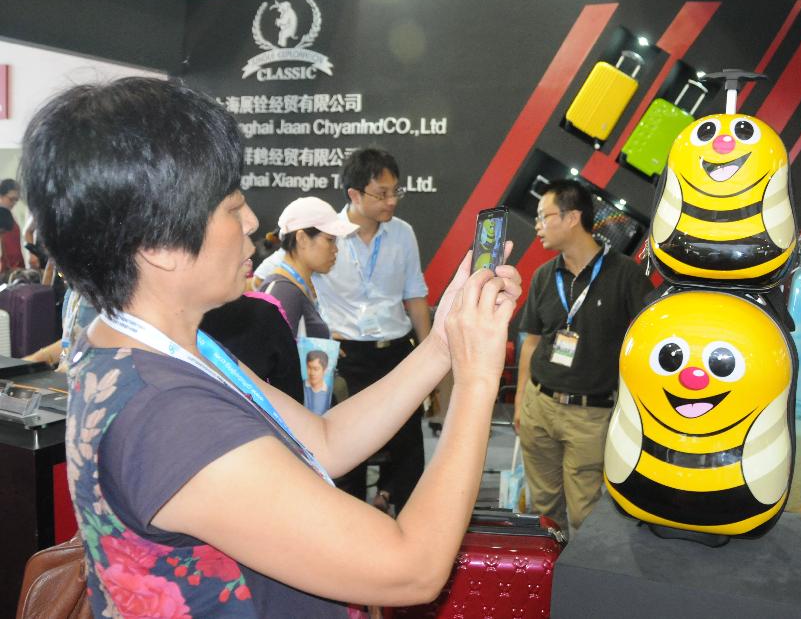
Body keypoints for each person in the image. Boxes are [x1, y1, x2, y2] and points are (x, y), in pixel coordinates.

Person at [22, 77, 520, 616]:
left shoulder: (161, 346)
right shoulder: (169, 416)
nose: (253, 223)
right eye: (232, 208)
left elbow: (324, 440)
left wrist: (443, 345)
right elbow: (412, 568)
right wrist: (476, 380)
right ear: (159, 244)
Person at [514, 178, 653, 535]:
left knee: (585, 515)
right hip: (539, 405)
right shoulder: (545, 276)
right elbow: (531, 341)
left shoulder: (626, 276)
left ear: (573, 217)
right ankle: (548, 581)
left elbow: (647, 346)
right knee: (543, 513)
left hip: (591, 415)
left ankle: (581, 584)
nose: (538, 226)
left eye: (545, 217)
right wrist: (519, 403)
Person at [314, 147, 434, 514]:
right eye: (381, 193)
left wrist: (429, 360)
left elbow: (415, 297)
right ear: (353, 194)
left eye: (396, 191)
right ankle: (349, 528)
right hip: (346, 358)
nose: (391, 201)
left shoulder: (403, 234)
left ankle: (397, 515)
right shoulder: (324, 234)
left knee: (408, 446)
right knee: (348, 449)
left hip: (395, 352)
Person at [258, 196, 357, 338]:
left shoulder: (296, 287)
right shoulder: (283, 292)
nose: (336, 249)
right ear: (302, 239)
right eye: (330, 240)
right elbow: (269, 355)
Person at [0, 179, 25, 272]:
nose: (14, 203)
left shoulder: (11, 217)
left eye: (16, 200)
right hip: (4, 269)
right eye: (11, 199)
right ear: (1, 195)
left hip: (17, 267)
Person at [303, 349, 331, 414]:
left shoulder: (330, 392)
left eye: (316, 369)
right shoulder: (299, 385)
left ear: (325, 370)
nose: (312, 373)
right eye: (309, 368)